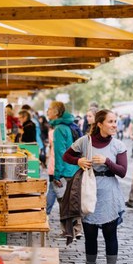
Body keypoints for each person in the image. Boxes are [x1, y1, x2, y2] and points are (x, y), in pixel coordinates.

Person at [63, 109, 127, 264]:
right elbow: (66, 155)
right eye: (110, 122)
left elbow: (122, 172)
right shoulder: (85, 141)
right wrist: (78, 161)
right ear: (99, 124)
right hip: (88, 189)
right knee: (90, 232)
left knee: (109, 233)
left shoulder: (118, 145)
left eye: (115, 121)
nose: (114, 125)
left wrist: (107, 162)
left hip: (109, 193)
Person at [47, 101, 82, 238]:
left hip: (65, 170)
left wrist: (56, 175)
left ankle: (69, 231)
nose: (47, 111)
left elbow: (60, 153)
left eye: (49, 109)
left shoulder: (59, 129)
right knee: (72, 199)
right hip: (74, 168)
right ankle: (76, 230)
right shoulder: (69, 125)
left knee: (64, 201)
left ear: (56, 112)